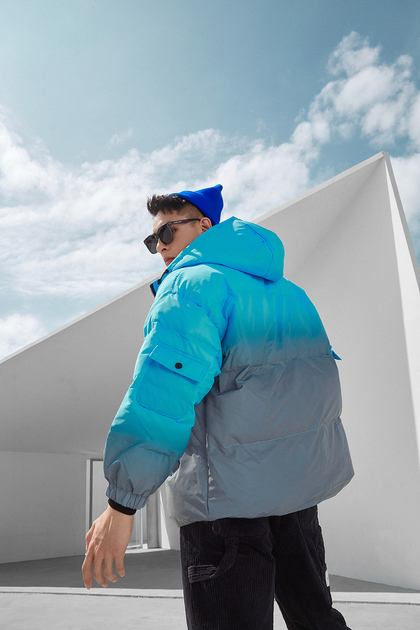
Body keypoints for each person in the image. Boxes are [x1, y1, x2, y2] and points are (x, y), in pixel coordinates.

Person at [82, 184, 354, 629]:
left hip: (224, 505)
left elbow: (163, 393)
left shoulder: (190, 286)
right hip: (298, 499)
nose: (159, 247)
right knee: (317, 619)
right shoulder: (291, 293)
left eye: (166, 232)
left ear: (204, 226)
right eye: (152, 240)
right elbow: (318, 389)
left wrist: (122, 504)